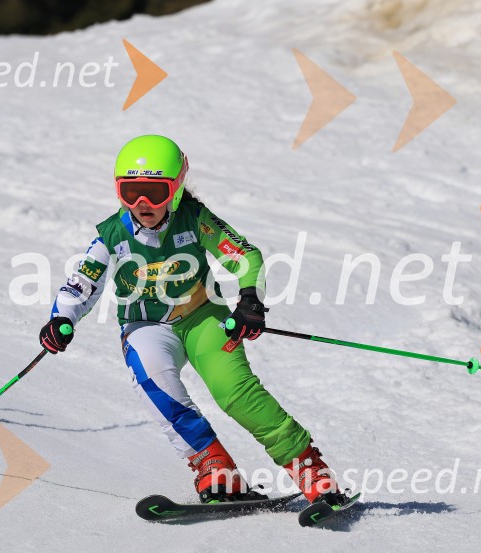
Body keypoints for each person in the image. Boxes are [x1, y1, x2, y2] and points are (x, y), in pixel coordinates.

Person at [39, 135, 346, 505]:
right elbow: (81, 285)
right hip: (146, 327)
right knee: (155, 385)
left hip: (203, 318)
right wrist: (60, 320)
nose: (142, 203)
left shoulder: (195, 219)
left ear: (177, 188)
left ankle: (310, 470)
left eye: (154, 191)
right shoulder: (112, 235)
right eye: (130, 190)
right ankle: (215, 468)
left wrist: (249, 300)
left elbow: (246, 256)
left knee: (235, 393)